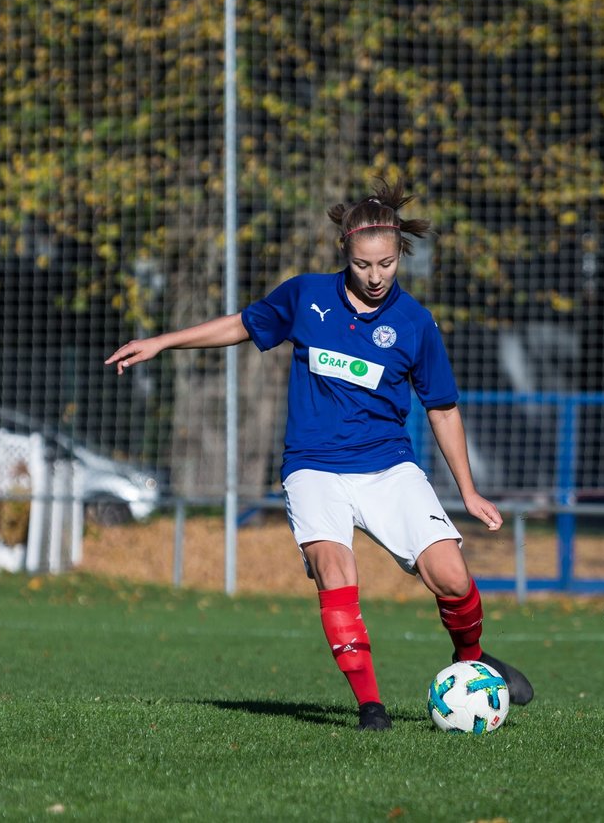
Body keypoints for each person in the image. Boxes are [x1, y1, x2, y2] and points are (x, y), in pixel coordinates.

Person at [105, 178, 533, 730]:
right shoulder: (305, 296)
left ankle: (470, 660)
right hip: (312, 467)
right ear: (344, 255)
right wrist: (162, 341)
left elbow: (443, 409)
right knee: (334, 570)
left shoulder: (415, 323)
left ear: (400, 252)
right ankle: (371, 707)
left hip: (388, 465)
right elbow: (241, 324)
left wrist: (468, 491)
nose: (375, 277)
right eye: (362, 265)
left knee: (451, 577)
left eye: (386, 264)